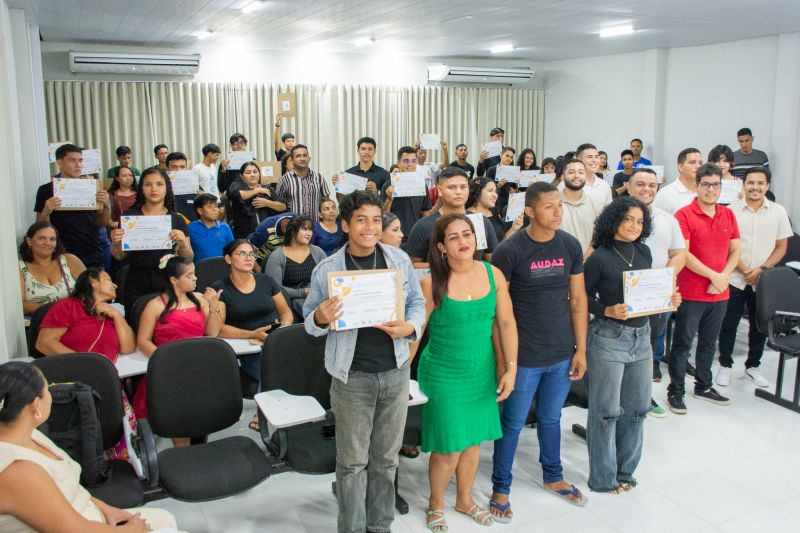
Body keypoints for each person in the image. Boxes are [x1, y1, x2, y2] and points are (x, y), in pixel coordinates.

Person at [302, 190, 425, 533]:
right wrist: (321, 318)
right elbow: (309, 322)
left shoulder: (398, 260)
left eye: (375, 220)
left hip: (395, 372)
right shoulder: (328, 269)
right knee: (353, 463)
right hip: (352, 377)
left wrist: (410, 326)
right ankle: (353, 528)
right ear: (345, 225)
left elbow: (417, 303)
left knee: (386, 459)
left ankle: (380, 525)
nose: (370, 227)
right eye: (361, 220)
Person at [489, 182, 589, 522]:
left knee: (551, 418)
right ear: (530, 211)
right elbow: (497, 313)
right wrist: (504, 363)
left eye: (559, 205)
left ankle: (553, 476)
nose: (558, 212)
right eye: (549, 206)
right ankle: (501, 486)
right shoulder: (509, 251)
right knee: (513, 423)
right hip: (524, 356)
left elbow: (578, 300)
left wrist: (581, 349)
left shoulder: (570, 245)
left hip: (561, 353)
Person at [414, 214, 517, 532]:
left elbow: (506, 324)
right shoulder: (431, 282)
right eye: (454, 237)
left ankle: (464, 500)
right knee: (449, 447)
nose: (463, 241)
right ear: (441, 247)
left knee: (473, 441)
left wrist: (510, 368)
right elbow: (415, 333)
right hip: (443, 374)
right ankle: (436, 503)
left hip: (481, 371)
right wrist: (402, 376)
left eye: (467, 234)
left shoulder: (493, 274)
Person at [0, 361, 184, 533]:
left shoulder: (28, 433)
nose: (50, 395)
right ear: (36, 406)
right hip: (82, 526)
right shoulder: (17, 472)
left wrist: (106, 509)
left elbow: (67, 490)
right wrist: (131, 530)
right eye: (47, 390)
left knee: (164, 518)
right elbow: (74, 529)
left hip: (89, 516)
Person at [584, 197, 682, 492]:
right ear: (613, 220)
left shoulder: (643, 251)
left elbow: (646, 293)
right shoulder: (599, 257)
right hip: (608, 337)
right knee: (606, 412)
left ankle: (625, 473)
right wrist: (606, 310)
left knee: (638, 409)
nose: (634, 226)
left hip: (642, 337)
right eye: (628, 219)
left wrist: (668, 299)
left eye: (640, 221)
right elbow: (579, 297)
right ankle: (603, 479)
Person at [668, 163, 741, 414]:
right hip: (691, 292)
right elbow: (684, 253)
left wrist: (724, 276)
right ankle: (676, 391)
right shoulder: (684, 215)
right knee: (683, 344)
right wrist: (713, 275)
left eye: (715, 185)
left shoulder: (728, 214)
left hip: (719, 292)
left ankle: (703, 385)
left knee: (709, 344)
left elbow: (736, 250)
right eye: (706, 185)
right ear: (697, 187)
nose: (711, 190)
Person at [133, 256, 222, 440]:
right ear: (174, 280)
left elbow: (212, 333)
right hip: (170, 368)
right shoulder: (155, 305)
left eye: (194, 274)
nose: (195, 278)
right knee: (179, 421)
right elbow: (143, 340)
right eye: (189, 275)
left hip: (197, 366)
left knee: (202, 419)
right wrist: (166, 360)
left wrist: (214, 306)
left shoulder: (199, 299)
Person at [717, 166, 791, 388]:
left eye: (760, 183)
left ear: (767, 186)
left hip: (763, 280)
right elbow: (725, 245)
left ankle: (752, 366)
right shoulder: (730, 211)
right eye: (751, 182)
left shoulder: (778, 211)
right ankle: (725, 365)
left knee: (760, 325)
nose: (755, 187)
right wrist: (743, 269)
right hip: (734, 278)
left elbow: (781, 246)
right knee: (729, 323)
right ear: (743, 184)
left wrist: (761, 269)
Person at [624, 168, 686, 417]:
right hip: (620, 297)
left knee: (648, 348)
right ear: (629, 187)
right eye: (640, 184)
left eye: (652, 185)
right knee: (620, 349)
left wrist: (667, 279)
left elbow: (678, 253)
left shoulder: (667, 220)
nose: (647, 189)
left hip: (655, 297)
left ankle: (642, 397)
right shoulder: (612, 217)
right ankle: (617, 396)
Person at [213, 239, 294, 429]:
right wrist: (253, 334)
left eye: (251, 254)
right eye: (242, 254)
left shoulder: (266, 281)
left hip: (275, 338)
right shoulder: (221, 288)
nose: (249, 258)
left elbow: (286, 312)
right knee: (272, 366)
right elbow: (219, 329)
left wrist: (283, 329)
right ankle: (263, 411)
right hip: (247, 345)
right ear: (228, 259)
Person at [110, 168, 194, 316]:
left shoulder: (177, 219)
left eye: (159, 184)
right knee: (137, 322)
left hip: (169, 283)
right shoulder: (130, 217)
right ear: (141, 189)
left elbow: (188, 258)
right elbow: (119, 256)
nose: (154, 189)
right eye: (148, 184)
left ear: (167, 188)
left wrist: (183, 244)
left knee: (167, 325)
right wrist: (116, 243)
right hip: (137, 282)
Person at [34, 144, 111, 269]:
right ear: (59, 162)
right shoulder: (46, 190)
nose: (78, 165)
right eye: (72, 160)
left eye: (80, 160)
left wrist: (107, 207)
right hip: (62, 254)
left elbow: (101, 224)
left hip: (92, 252)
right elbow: (39, 227)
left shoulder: (92, 187)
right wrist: (46, 212)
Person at [406, 167, 499, 268]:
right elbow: (412, 265)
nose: (458, 192)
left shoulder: (482, 222)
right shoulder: (423, 226)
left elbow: (492, 261)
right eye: (451, 187)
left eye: (463, 187)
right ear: (439, 191)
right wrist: (447, 266)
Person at [264, 215, 326, 317]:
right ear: (293, 231)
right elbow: (274, 288)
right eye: (305, 229)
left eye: (310, 230)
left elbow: (328, 277)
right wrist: (303, 292)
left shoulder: (318, 252)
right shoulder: (277, 257)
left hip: (317, 300)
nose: (309, 233)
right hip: (287, 304)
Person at [18, 222, 85, 315]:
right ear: (29, 241)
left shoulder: (70, 259)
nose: (48, 243)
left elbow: (92, 288)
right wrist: (56, 310)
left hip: (74, 317)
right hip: (39, 321)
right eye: (42, 238)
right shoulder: (20, 267)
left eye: (52, 239)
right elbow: (20, 304)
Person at [380, 146, 432, 238]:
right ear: (398, 163)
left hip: (416, 235)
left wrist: (426, 234)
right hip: (393, 235)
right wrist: (389, 199)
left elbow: (425, 212)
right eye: (406, 161)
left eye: (413, 161)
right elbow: (382, 215)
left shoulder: (422, 186)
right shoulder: (388, 186)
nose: (410, 164)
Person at [227, 161, 286, 239]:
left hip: (268, 233)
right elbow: (238, 195)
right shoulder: (236, 186)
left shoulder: (267, 188)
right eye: (248, 173)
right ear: (241, 176)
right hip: (244, 234)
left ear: (259, 173)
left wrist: (267, 203)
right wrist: (256, 191)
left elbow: (283, 206)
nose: (252, 175)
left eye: (255, 172)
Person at [558, 158, 603, 256]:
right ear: (562, 177)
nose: (577, 176)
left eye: (581, 172)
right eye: (571, 172)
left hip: (587, 261)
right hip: (558, 261)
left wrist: (590, 252)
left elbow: (600, 234)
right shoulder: (553, 204)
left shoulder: (596, 204)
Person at [275, 145, 331, 221]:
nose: (302, 159)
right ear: (292, 160)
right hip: (293, 225)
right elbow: (279, 204)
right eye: (298, 156)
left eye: (305, 155)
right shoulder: (284, 180)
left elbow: (326, 202)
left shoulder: (319, 178)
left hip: (316, 224)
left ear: (309, 158)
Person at [466, 177, 523, 243]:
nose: (495, 195)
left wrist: (513, 229)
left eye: (495, 192)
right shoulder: (468, 217)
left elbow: (501, 242)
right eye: (490, 191)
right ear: (478, 192)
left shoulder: (494, 212)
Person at [188, 193, 234, 263]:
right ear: (200, 211)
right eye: (209, 207)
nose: (215, 209)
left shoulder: (225, 227)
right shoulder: (190, 228)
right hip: (200, 269)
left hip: (223, 268)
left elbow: (232, 250)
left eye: (216, 206)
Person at [653, 148, 702, 215]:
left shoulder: (705, 191)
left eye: (700, 163)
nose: (698, 166)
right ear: (680, 167)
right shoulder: (665, 194)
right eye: (692, 162)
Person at [165, 151, 198, 222]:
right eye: (174, 167)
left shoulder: (196, 188)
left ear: (186, 168)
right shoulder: (162, 189)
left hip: (191, 226)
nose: (178, 170)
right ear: (167, 168)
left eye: (182, 167)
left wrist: (202, 198)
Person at [486, 147, 519, 212]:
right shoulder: (491, 170)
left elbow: (515, 189)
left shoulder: (513, 171)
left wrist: (515, 191)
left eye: (511, 157)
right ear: (501, 155)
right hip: (495, 203)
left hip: (509, 204)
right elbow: (486, 189)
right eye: (507, 156)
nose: (509, 159)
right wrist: (498, 185)